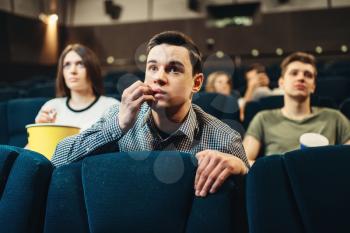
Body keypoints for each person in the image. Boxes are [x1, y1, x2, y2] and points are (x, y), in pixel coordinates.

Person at [51, 31, 249, 197]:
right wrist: (119, 126)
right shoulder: (118, 117)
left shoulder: (224, 139)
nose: (159, 78)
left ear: (196, 83)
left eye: (173, 70)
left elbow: (251, 205)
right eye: (153, 68)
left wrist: (243, 170)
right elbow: (57, 160)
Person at [243, 52, 350, 165]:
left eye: (308, 75)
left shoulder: (334, 117)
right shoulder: (263, 118)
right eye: (294, 73)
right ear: (281, 83)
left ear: (313, 86)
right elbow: (244, 161)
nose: (301, 78)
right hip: (279, 180)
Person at [35, 44, 119, 131]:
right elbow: (31, 145)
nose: (72, 71)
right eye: (67, 65)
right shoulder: (51, 107)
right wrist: (38, 130)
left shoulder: (111, 107)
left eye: (80, 64)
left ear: (92, 69)